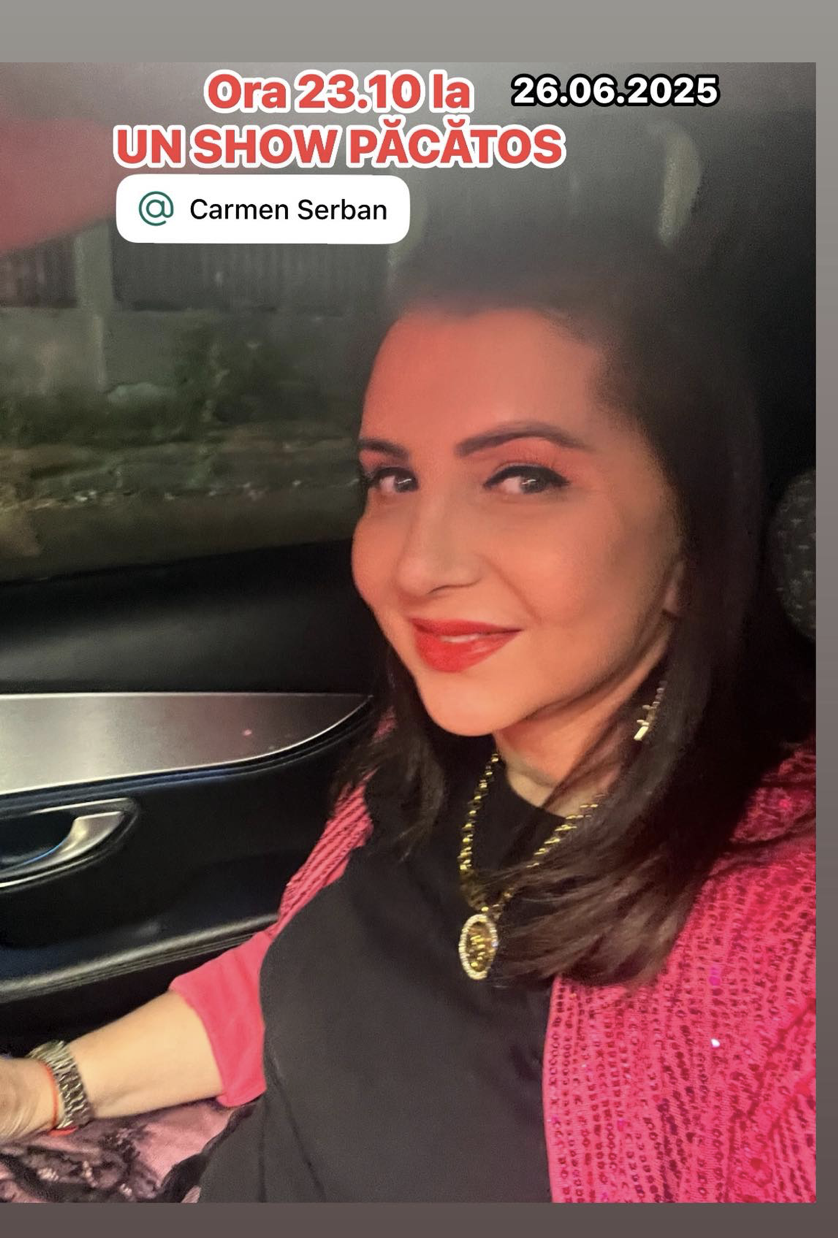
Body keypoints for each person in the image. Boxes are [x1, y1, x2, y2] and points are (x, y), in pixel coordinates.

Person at [0, 225, 815, 1203]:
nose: (418, 566)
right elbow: (303, 978)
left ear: (692, 542)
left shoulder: (788, 946)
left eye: (523, 477)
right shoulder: (429, 757)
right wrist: (42, 1089)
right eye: (394, 478)